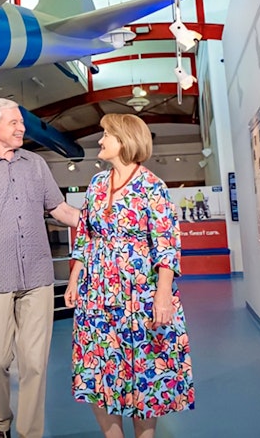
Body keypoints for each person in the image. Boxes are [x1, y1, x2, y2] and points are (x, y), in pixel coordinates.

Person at [0, 98, 81, 438]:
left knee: (35, 364)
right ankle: (1, 421)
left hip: (37, 278)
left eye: (21, 123)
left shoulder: (35, 164)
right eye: (14, 123)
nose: (22, 128)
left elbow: (60, 208)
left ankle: (28, 433)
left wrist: (97, 220)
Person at [64, 114, 194, 438]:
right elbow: (85, 236)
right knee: (98, 364)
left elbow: (167, 246)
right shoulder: (95, 185)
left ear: (123, 140)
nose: (99, 140)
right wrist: (74, 277)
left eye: (105, 134)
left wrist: (163, 295)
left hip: (140, 295)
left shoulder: (152, 187)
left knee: (144, 370)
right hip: (97, 295)